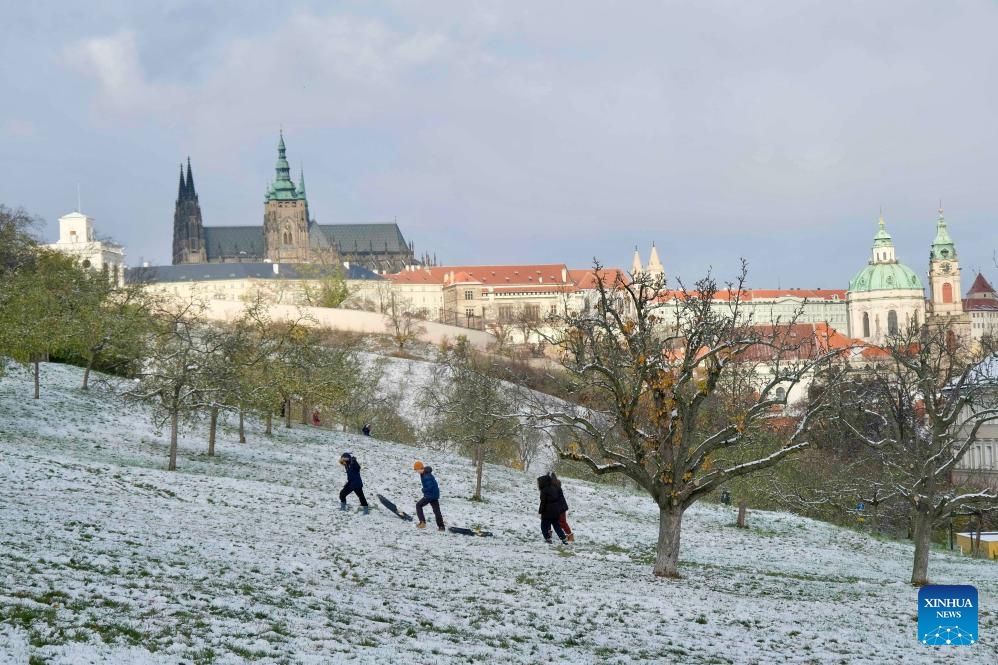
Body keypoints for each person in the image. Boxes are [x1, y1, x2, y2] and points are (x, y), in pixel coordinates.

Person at [413, 460, 445, 531]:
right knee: (437, 511)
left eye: (416, 470)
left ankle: (422, 523)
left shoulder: (426, 476)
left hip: (430, 495)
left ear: (420, 468)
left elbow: (429, 487)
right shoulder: (425, 473)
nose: (416, 472)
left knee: (418, 505)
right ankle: (441, 527)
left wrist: (423, 490)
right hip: (434, 495)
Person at [537, 474, 568, 545]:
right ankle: (563, 538)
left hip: (547, 511)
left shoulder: (544, 490)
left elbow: (543, 502)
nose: (538, 484)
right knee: (556, 525)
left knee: (544, 525)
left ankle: (547, 538)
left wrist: (540, 511)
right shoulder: (554, 488)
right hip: (555, 511)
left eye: (539, 482)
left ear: (543, 482)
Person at [550, 472, 574, 543]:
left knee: (562, 522)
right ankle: (567, 536)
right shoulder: (555, 486)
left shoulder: (554, 488)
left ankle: (570, 536)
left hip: (560, 507)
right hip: (558, 507)